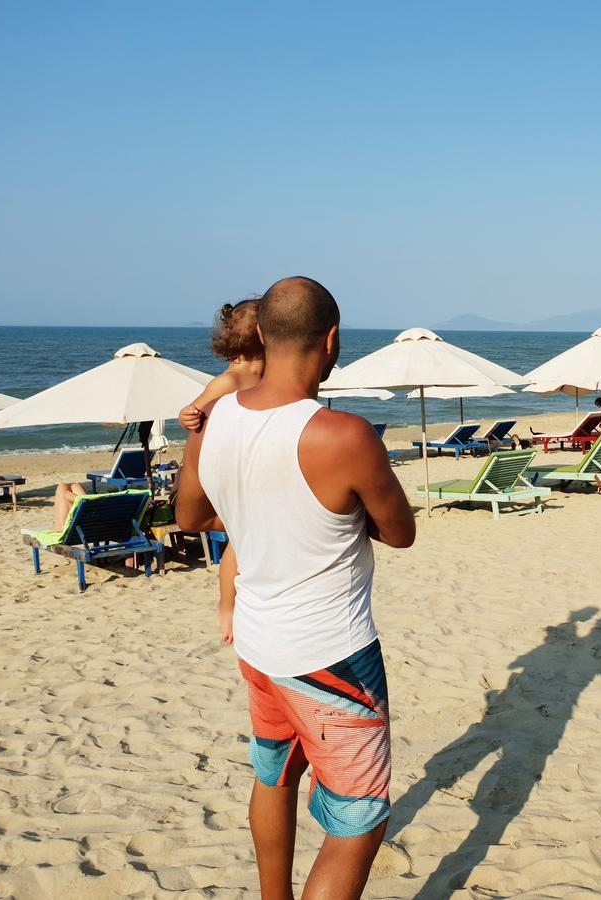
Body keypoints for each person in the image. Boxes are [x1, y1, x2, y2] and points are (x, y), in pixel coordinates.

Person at [176, 277, 415, 900]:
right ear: (330, 340)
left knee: (274, 777)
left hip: (257, 646)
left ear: (262, 336)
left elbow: (190, 518)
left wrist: (263, 507)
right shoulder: (345, 435)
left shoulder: (216, 419)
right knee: (359, 822)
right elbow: (399, 532)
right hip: (331, 655)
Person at [178, 298, 266, 645]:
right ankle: (227, 604)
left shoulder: (269, 375)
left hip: (255, 466)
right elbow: (193, 413)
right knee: (237, 545)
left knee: (245, 541)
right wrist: (189, 413)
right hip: (234, 470)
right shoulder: (229, 379)